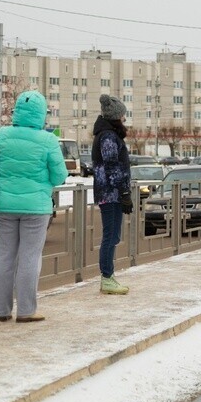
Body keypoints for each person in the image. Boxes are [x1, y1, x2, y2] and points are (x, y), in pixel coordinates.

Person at [0, 91, 68, 323]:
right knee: (30, 257)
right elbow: (60, 176)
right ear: (41, 114)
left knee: (4, 256)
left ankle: (2, 311)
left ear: (18, 112)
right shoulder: (48, 140)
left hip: (5, 205)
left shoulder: (3, 135)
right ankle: (26, 310)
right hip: (36, 207)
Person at [92, 94, 132, 295]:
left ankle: (109, 276)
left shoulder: (109, 134)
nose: (124, 118)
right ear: (115, 116)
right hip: (110, 193)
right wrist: (124, 192)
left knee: (114, 235)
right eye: (123, 114)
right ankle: (106, 277)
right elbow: (112, 166)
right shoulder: (108, 136)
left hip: (112, 192)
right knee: (110, 235)